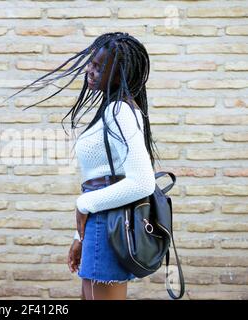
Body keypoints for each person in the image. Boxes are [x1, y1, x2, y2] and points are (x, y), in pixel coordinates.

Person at [12, 32, 158, 300]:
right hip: (99, 223)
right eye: (91, 62)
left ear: (119, 74)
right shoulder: (111, 110)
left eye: (99, 66)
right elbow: (100, 178)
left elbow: (143, 182)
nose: (89, 70)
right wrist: (79, 236)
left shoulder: (120, 112)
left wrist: (83, 205)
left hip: (108, 223)